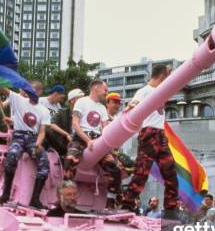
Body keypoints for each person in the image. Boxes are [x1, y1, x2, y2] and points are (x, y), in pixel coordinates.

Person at [121, 64, 178, 216]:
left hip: (161, 135)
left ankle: (171, 213)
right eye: (167, 76)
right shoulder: (144, 90)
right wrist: (130, 106)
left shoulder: (161, 92)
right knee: (141, 174)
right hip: (149, 133)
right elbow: (134, 103)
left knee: (171, 174)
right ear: (161, 76)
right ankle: (126, 206)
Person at [63, 80, 121, 208]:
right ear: (95, 88)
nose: (106, 93)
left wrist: (106, 144)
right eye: (105, 90)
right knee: (69, 162)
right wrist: (87, 140)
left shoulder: (102, 108)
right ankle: (64, 198)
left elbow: (106, 129)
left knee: (116, 170)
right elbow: (75, 124)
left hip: (98, 140)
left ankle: (110, 204)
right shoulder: (81, 101)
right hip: (81, 138)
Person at [0, 87, 51, 209]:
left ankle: (35, 199)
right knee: (12, 156)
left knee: (44, 163)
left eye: (36, 91)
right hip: (18, 136)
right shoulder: (19, 100)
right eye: (31, 90)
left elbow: (42, 131)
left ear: (39, 92)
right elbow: (4, 90)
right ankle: (6, 194)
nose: (33, 93)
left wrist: (38, 144)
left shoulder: (44, 110)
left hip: (33, 139)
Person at [48, 88, 85, 158]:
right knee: (48, 129)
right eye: (80, 99)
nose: (83, 101)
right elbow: (52, 124)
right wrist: (66, 134)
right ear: (72, 100)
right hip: (65, 143)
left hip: (81, 141)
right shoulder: (62, 112)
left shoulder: (85, 113)